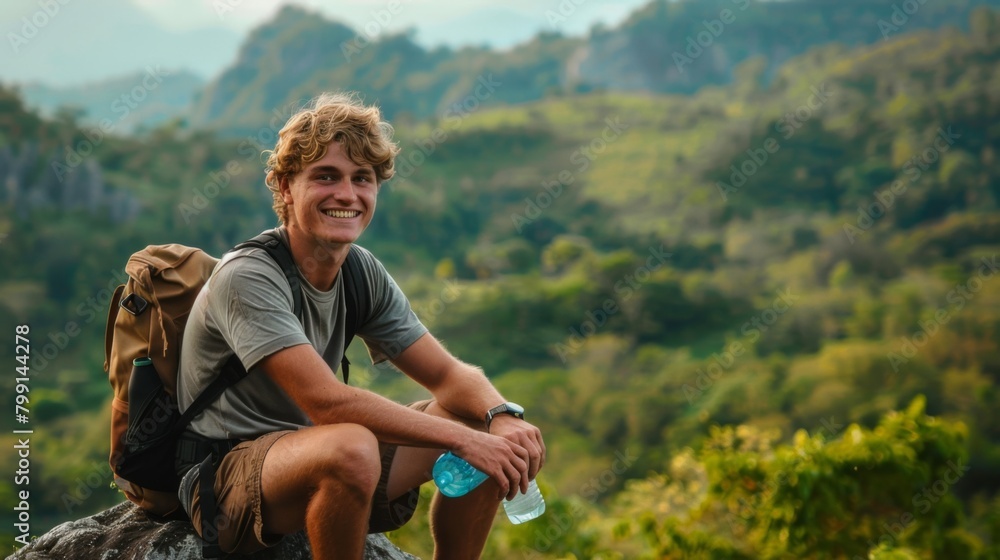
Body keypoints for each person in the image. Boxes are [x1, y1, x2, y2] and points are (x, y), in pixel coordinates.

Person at [173, 92, 545, 560]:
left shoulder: (358, 270)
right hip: (226, 477)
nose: (347, 194)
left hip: (317, 454)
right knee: (353, 445)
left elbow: (449, 376)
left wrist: (501, 418)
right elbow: (327, 403)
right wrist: (465, 440)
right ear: (286, 187)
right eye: (325, 177)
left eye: (362, 179)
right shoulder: (248, 276)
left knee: (486, 425)